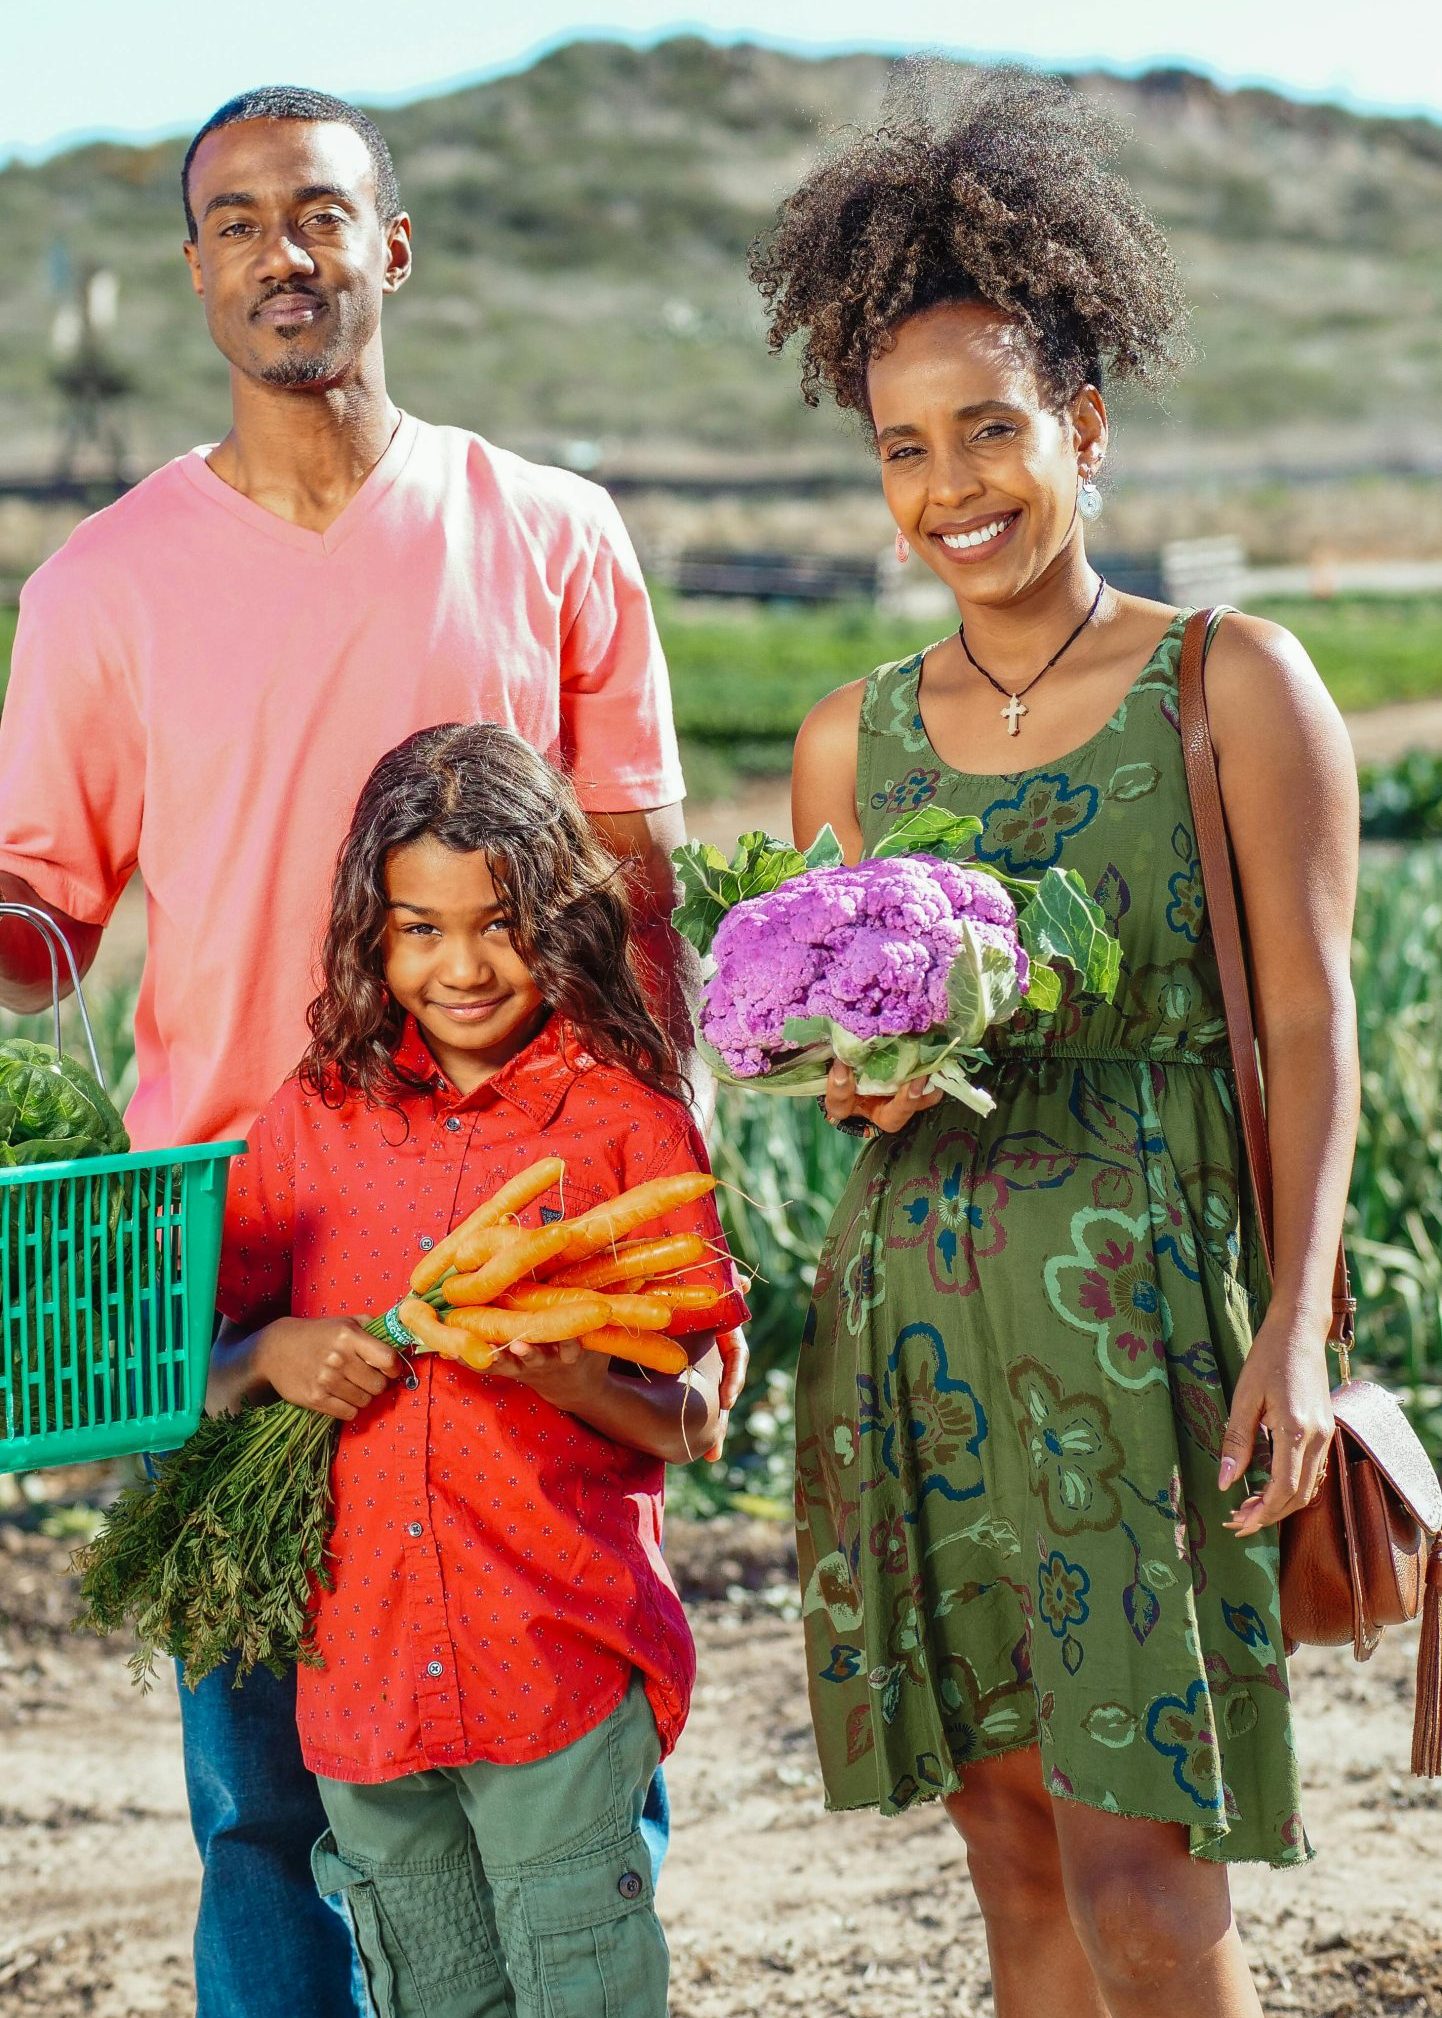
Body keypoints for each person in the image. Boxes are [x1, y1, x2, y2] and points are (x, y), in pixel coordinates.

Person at [0, 84, 744, 2017]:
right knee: (268, 1801)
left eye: (319, 213)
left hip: (520, 1253)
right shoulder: (99, 585)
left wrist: (680, 1237)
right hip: (241, 1259)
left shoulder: (551, 532)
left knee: (553, 1739)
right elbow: (43, 917)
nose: (283, 252)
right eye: (236, 222)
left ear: (389, 249)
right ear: (195, 274)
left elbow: (639, 904)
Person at [749, 67, 1359, 2018]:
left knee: (1148, 1883)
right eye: (903, 449)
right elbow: (836, 1048)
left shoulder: (1229, 681)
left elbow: (1303, 1008)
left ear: (1080, 429)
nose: (953, 487)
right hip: (918, 1329)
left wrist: (1300, 1321)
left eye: (992, 430)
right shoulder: (852, 734)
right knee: (1012, 1860)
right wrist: (849, 1079)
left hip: (1151, 1322)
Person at [209, 722, 745, 2018]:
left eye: (494, 924)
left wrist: (573, 1377)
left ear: (556, 914)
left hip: (548, 1664)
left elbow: (697, 1418)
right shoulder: (315, 1118)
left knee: (584, 1994)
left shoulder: (623, 1124)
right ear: (368, 930)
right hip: (364, 1688)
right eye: (416, 929)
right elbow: (199, 1366)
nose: (457, 965)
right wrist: (270, 1353)